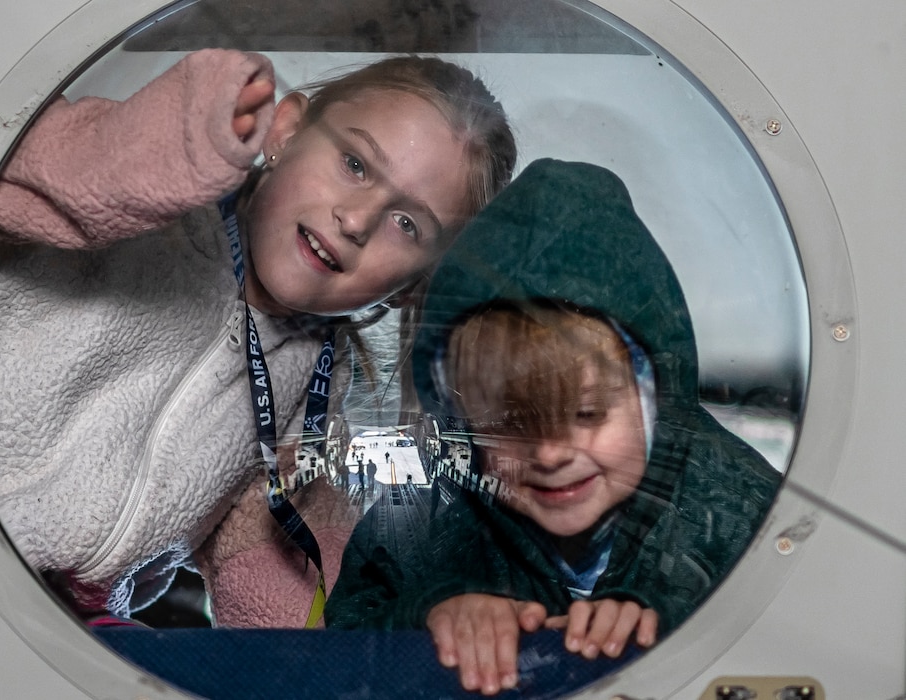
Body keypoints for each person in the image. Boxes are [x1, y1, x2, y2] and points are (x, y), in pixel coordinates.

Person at [0, 48, 516, 622]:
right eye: (355, 164)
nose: (355, 219)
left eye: (407, 224)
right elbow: (25, 178)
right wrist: (182, 146)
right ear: (286, 129)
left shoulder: (317, 394)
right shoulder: (146, 210)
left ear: (411, 286)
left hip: (55, 624)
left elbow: (271, 561)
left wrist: (347, 647)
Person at [325, 159, 781, 693]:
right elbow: (338, 654)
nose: (550, 456)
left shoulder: (740, 504)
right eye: (512, 424)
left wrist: (672, 624)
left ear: (654, 393)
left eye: (587, 415)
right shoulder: (431, 510)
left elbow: (814, 628)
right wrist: (430, 615)